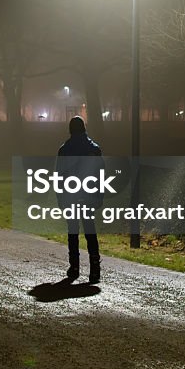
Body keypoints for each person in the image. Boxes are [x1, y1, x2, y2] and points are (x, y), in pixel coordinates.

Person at [56, 115, 104, 283]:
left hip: (71, 195)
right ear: (84, 128)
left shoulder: (64, 150)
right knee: (90, 230)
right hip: (88, 194)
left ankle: (74, 266)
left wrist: (60, 198)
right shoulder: (94, 149)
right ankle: (95, 268)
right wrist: (99, 195)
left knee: (73, 231)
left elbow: (60, 176)